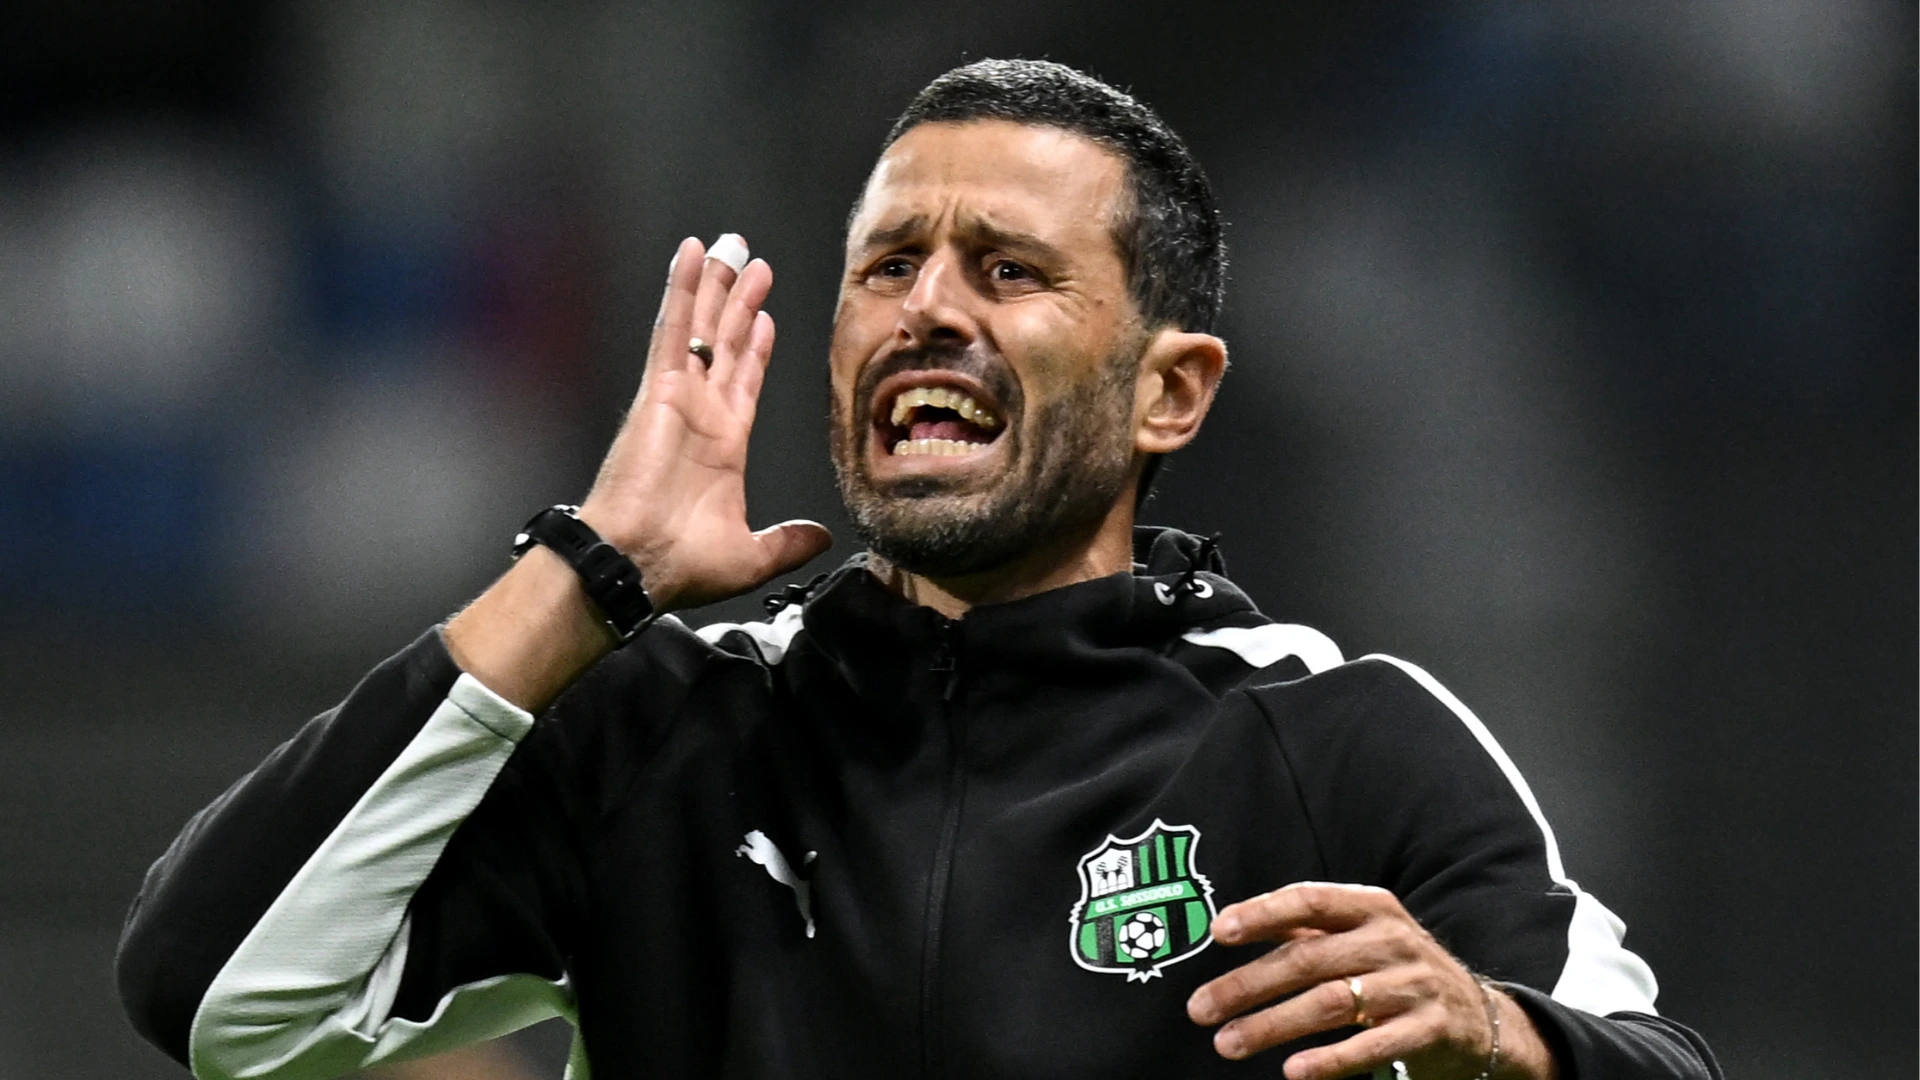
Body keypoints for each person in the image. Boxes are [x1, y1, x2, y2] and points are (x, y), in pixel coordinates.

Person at [116, 60, 1721, 1080]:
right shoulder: (670, 731)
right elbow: (219, 995)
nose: (928, 308)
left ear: (1170, 391)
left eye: (1007, 270)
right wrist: (588, 572)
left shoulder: (1331, 740)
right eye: (887, 265)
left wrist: (1506, 1038)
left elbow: (1654, 1061)